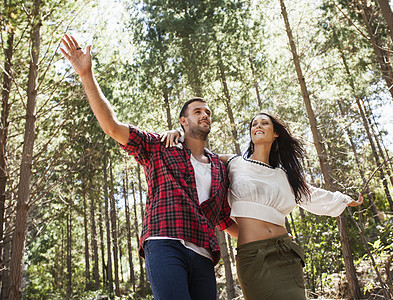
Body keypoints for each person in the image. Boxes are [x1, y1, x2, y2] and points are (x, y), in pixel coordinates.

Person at [60, 34, 238, 300]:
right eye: (198, 111)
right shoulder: (160, 146)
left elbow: (223, 218)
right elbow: (112, 127)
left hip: (203, 252)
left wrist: (267, 240)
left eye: (208, 112)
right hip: (165, 242)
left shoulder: (219, 167)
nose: (205, 115)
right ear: (183, 121)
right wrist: (86, 75)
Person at [163, 112, 363, 299]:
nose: (258, 126)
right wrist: (178, 135)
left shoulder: (285, 176)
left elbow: (313, 195)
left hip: (285, 252)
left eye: (264, 123)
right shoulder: (234, 162)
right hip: (253, 255)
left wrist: (344, 200)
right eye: (254, 124)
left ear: (275, 133)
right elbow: (198, 154)